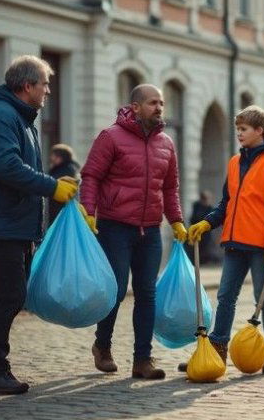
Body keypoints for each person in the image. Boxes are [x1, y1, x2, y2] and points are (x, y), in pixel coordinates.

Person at [0, 55, 79, 395]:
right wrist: (52, 186)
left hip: (11, 224)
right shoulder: (2, 117)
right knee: (8, 295)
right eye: (44, 84)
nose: (48, 91)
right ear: (27, 86)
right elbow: (5, 166)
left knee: (12, 295)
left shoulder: (20, 118)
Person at [80, 84, 186, 380]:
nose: (159, 108)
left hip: (151, 230)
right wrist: (88, 213)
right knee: (114, 291)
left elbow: (170, 187)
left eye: (162, 103)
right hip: (115, 226)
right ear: (136, 106)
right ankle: (102, 345)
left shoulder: (166, 143)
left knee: (147, 293)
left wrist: (176, 220)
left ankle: (142, 360)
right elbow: (91, 176)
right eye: (153, 102)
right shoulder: (110, 137)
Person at [186, 105, 264, 374]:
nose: (239, 134)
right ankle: (217, 350)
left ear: (260, 131)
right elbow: (227, 203)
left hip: (261, 243)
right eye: (237, 129)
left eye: (244, 129)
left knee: (263, 298)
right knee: (225, 296)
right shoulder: (235, 163)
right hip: (234, 242)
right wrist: (207, 222)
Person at [47, 143, 80, 223]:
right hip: (59, 207)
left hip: (61, 208)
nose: (51, 158)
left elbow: (55, 183)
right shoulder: (66, 168)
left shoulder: (66, 169)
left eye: (54, 155)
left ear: (60, 156)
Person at [187, 191, 219, 265]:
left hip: (206, 233)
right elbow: (193, 218)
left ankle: (204, 262)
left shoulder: (210, 208)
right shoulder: (196, 206)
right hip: (196, 229)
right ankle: (195, 263)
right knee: (194, 249)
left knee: (206, 248)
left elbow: (212, 221)